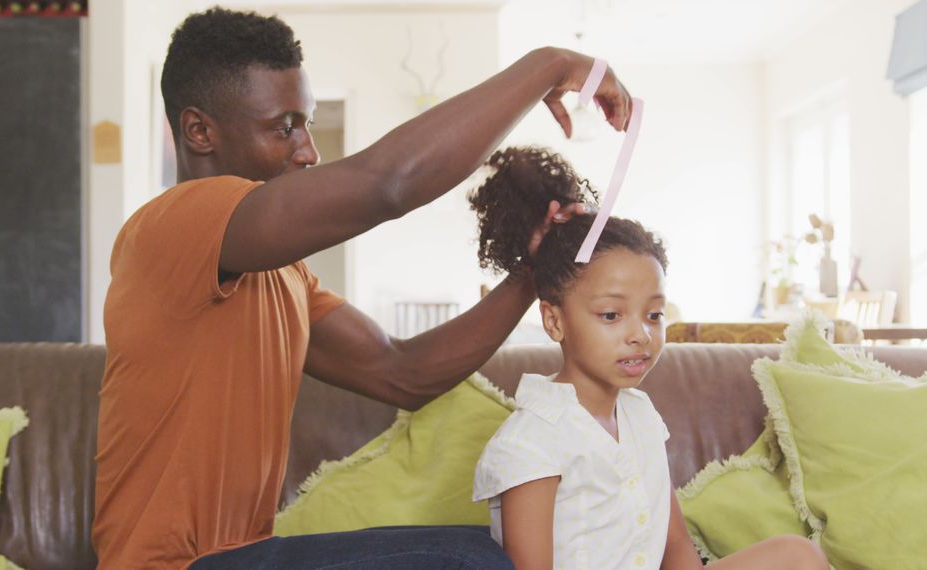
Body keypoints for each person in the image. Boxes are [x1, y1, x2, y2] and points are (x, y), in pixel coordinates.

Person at [93, 6, 635, 570]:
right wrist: (552, 64)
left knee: (484, 553)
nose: (308, 150)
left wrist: (529, 274)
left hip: (243, 557)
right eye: (284, 127)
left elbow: (403, 371)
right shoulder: (171, 226)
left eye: (306, 123)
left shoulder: (283, 274)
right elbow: (386, 184)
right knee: (468, 563)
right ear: (200, 131)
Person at [471, 147, 830, 570]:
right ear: (553, 321)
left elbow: (675, 544)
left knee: (796, 554)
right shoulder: (531, 440)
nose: (641, 335)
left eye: (654, 315)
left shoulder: (639, 414)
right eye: (611, 315)